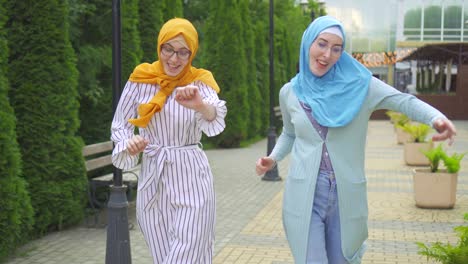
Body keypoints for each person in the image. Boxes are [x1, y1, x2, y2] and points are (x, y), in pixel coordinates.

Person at [255, 16, 456, 264]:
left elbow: (403, 101)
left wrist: (436, 118)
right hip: (304, 195)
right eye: (322, 44)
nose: (327, 54)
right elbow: (289, 133)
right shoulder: (290, 92)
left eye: (336, 48)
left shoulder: (362, 86)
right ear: (308, 43)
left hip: (346, 195)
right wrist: (273, 158)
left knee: (344, 260)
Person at [111, 18, 227, 263]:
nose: (174, 59)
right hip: (154, 176)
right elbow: (120, 124)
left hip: (191, 175)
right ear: (160, 46)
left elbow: (215, 113)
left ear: (192, 53)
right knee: (163, 253)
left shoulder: (199, 81)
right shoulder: (140, 79)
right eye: (168, 49)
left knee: (188, 250)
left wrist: (200, 106)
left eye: (183, 52)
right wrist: (128, 143)